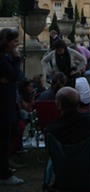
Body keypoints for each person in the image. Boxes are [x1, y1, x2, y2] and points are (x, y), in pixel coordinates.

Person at [0, 28, 24, 185]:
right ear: (7, 42)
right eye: (15, 41)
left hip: (8, 102)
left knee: (10, 134)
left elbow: (14, 78)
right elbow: (15, 76)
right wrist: (17, 60)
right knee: (3, 139)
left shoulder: (5, 57)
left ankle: (4, 167)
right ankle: (4, 174)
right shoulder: (3, 58)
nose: (17, 44)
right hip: (3, 105)